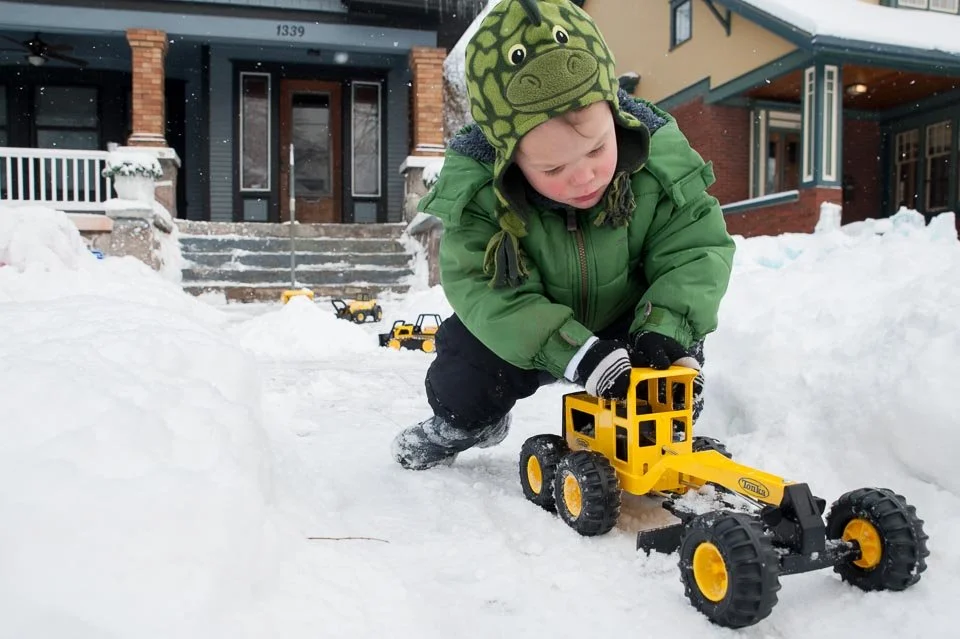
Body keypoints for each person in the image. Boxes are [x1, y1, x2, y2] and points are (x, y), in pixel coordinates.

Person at [391, 0, 735, 470]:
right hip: (528, 327)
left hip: (628, 321)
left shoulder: (658, 166)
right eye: (553, 167)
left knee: (672, 352)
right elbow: (487, 294)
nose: (584, 177)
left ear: (615, 116)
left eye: (597, 149)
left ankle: (663, 428)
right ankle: (464, 423)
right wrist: (573, 352)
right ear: (509, 159)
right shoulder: (481, 200)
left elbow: (694, 249)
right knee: (467, 374)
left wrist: (666, 327)